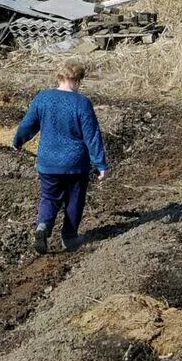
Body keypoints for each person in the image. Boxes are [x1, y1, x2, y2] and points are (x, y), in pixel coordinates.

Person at [12, 61, 109, 253]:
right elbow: (92, 135)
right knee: (74, 199)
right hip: (75, 163)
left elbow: (28, 124)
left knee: (49, 197)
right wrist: (101, 163)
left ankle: (43, 226)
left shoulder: (43, 98)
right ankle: (69, 237)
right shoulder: (82, 103)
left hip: (48, 162)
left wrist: (18, 141)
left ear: (59, 77)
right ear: (78, 80)